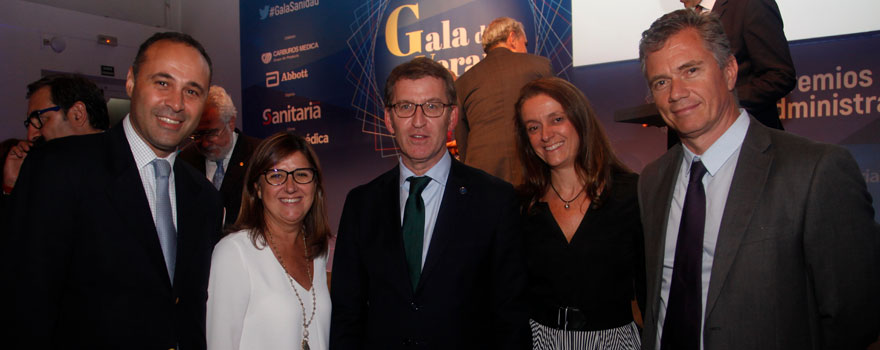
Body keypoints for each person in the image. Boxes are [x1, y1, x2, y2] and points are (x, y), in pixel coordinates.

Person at [637, 10, 879, 349]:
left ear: (730, 71)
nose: (676, 93)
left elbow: (854, 319)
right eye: (661, 82)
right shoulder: (652, 180)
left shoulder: (814, 171)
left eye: (690, 70)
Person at [3, 32, 223, 349]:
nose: (176, 103)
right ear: (131, 82)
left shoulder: (205, 198)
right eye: (163, 83)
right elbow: (21, 305)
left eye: (192, 91)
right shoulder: (60, 168)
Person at [330, 57, 529, 349]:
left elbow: (511, 315)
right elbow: (347, 314)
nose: (418, 121)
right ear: (389, 119)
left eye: (433, 106)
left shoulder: (495, 199)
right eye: (405, 107)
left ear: (452, 117)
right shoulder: (361, 204)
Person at [515, 77, 645, 349]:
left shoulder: (632, 193)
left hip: (613, 341)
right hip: (540, 341)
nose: (546, 135)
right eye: (533, 127)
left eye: (557, 119)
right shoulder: (520, 204)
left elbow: (651, 286)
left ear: (580, 119)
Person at [207, 131, 332, 350]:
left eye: (301, 174)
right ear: (257, 188)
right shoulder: (234, 253)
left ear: (316, 185)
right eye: (276, 175)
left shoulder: (319, 252)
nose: (291, 186)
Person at [455, 16, 553, 185]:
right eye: (525, 43)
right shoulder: (540, 66)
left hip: (483, 179)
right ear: (512, 38)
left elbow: (462, 140)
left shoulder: (463, 82)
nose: (526, 48)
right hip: (534, 173)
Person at [680, 0, 795, 130]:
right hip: (690, 143)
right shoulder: (684, 19)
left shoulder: (751, 4)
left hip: (749, 138)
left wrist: (721, 101)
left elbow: (780, 76)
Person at [3, 73, 109, 196]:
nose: (31, 136)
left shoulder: (124, 167)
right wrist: (12, 187)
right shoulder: (49, 175)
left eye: (41, 120)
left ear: (77, 114)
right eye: (29, 125)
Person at [179, 85, 261, 227]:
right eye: (197, 135)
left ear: (230, 122)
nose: (204, 143)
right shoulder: (185, 160)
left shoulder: (259, 155)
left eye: (211, 133)